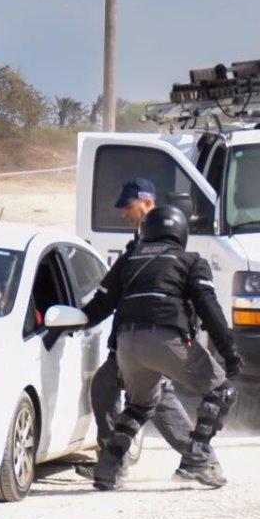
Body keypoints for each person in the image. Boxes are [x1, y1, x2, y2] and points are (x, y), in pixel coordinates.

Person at [78, 204, 242, 490]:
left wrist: (67, 322)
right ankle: (197, 458)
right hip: (168, 339)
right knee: (221, 391)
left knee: (139, 405)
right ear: (181, 233)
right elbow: (208, 306)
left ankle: (108, 468)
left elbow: (99, 306)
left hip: (126, 346)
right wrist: (229, 351)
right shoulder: (190, 261)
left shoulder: (129, 259)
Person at [73, 178, 198, 480]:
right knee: (111, 387)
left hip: (155, 336)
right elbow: (110, 295)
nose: (123, 213)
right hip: (134, 337)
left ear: (147, 203)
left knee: (155, 398)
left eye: (128, 206)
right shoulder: (137, 245)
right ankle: (114, 460)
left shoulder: (162, 244)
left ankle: (196, 458)